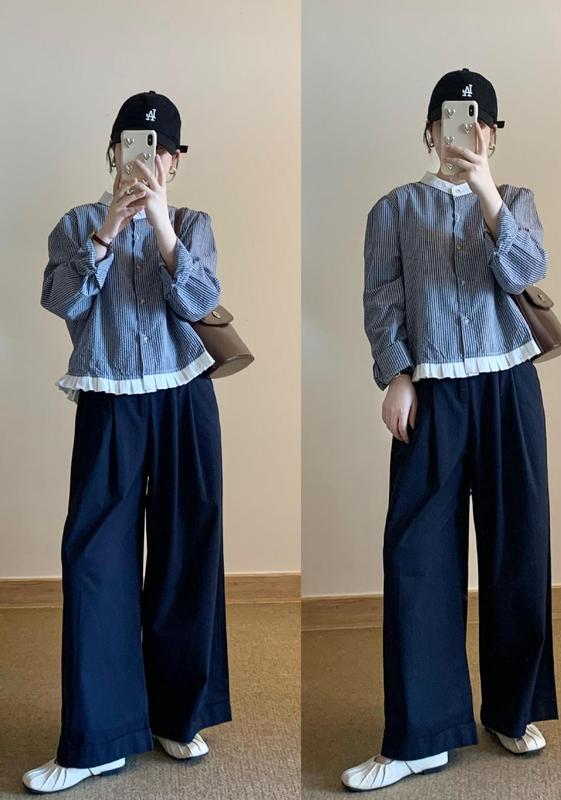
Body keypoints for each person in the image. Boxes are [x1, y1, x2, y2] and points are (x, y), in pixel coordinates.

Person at [341, 68, 559, 792]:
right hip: (432, 393)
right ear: (431, 130)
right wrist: (397, 375)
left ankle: (512, 710)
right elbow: (381, 299)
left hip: (509, 388)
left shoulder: (516, 202)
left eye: (480, 122)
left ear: (491, 133)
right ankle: (422, 735)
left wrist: (486, 189)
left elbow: (525, 270)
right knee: (418, 557)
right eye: (453, 120)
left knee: (518, 549)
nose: (467, 132)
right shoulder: (394, 209)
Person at [23, 90, 232, 793]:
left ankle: (177, 716)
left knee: (187, 551)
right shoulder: (77, 224)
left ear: (175, 161)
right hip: (109, 399)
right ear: (114, 152)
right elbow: (62, 301)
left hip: (184, 399)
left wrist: (163, 227)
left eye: (161, 150)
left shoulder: (194, 225)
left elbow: (199, 303)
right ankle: (97, 739)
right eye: (135, 146)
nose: (148, 160)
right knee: (95, 560)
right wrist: (109, 230)